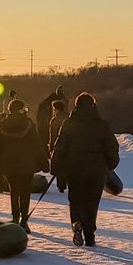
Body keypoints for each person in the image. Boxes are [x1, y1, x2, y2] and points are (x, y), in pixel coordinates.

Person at [50, 92, 120, 247]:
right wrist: (111, 164)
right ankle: (90, 235)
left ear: (76, 106)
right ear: (93, 105)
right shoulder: (102, 125)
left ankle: (76, 224)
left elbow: (60, 147)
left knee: (76, 200)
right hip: (97, 170)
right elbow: (112, 147)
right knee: (92, 202)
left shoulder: (69, 124)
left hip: (75, 169)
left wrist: (55, 167)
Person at [0, 97, 45, 226]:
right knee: (25, 192)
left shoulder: (1, 127)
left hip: (9, 165)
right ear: (20, 111)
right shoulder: (29, 126)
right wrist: (44, 164)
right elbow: (37, 146)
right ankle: (24, 220)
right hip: (26, 164)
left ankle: (14, 218)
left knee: (14, 191)